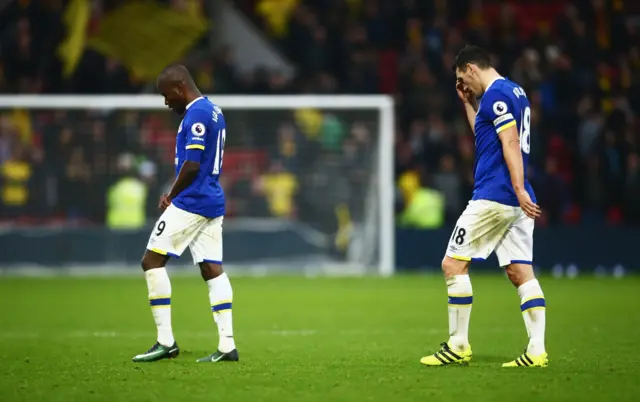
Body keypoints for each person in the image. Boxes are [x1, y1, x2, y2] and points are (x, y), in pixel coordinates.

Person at [420, 46, 547, 368]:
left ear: (472, 69)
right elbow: (486, 134)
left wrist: (517, 188)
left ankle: (458, 344)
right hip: (514, 197)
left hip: (496, 195)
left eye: (464, 79)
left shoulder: (497, 94)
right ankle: (536, 351)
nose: (464, 85)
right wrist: (468, 104)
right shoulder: (513, 92)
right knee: (521, 273)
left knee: (453, 265)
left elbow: (510, 142)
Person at [132, 65, 238, 363]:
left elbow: (191, 165)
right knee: (211, 268)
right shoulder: (213, 110)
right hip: (212, 199)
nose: (166, 103)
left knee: (151, 260)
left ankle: (165, 341)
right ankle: (227, 346)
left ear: (179, 87)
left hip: (192, 200)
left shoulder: (197, 115)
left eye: (167, 95)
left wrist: (171, 194)